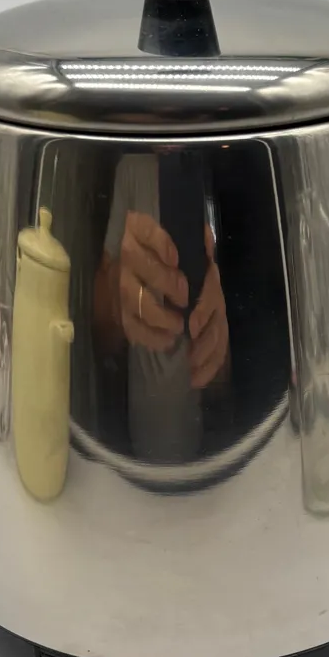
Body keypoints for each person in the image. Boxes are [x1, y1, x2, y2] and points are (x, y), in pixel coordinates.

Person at [92, 153, 229, 464]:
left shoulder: (207, 162)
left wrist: (218, 340)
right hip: (140, 427)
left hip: (201, 435)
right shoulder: (131, 167)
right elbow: (102, 337)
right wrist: (119, 291)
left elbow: (223, 383)